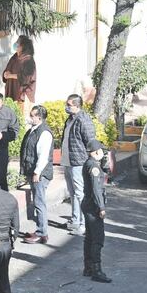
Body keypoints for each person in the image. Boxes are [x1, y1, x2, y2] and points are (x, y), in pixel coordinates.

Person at [61, 93, 97, 236]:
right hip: (68, 161)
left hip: (78, 161)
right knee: (73, 193)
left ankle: (84, 224)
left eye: (69, 105)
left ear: (77, 106)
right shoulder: (70, 119)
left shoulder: (83, 120)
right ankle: (75, 220)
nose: (67, 107)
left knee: (80, 193)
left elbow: (90, 140)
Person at [21, 105, 53, 245]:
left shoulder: (44, 133)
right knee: (38, 201)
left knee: (39, 203)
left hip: (39, 173)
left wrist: (37, 172)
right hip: (33, 171)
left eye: (32, 115)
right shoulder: (33, 131)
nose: (30, 117)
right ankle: (40, 231)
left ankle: (42, 233)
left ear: (39, 117)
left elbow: (43, 155)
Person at [82, 140, 111, 283]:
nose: (103, 153)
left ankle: (88, 267)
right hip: (93, 206)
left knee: (89, 237)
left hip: (87, 204)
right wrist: (101, 208)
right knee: (97, 239)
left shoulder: (89, 164)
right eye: (102, 151)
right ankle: (96, 271)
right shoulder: (93, 167)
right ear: (96, 152)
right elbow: (96, 189)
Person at [2, 35, 36, 118]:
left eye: (18, 43)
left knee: (20, 118)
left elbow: (26, 77)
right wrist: (5, 74)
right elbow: (8, 69)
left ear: (23, 46)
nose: (16, 44)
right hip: (11, 91)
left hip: (21, 95)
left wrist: (10, 75)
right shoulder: (14, 57)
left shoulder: (28, 60)